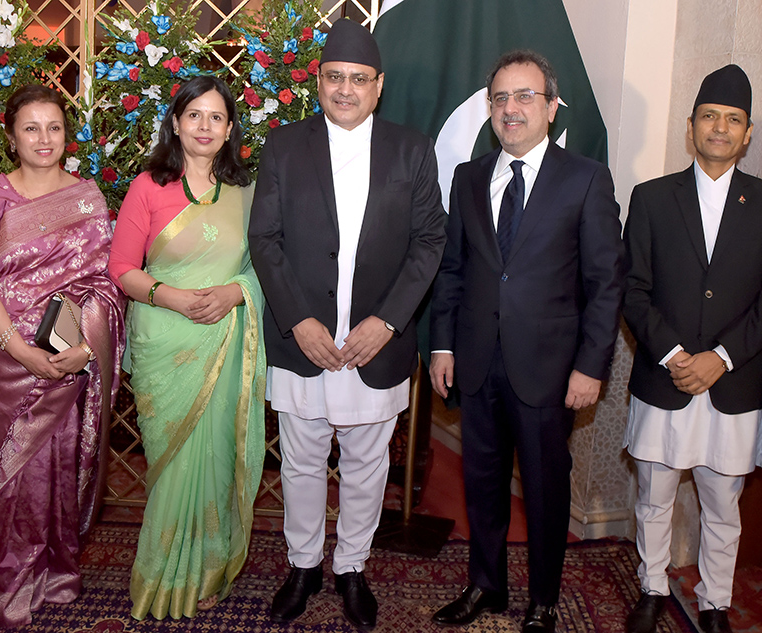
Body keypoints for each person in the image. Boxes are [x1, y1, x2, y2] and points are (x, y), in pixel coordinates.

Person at [248, 19, 447, 632]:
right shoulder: (284, 146)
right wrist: (299, 320)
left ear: (378, 86)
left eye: (358, 79)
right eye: (334, 77)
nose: (345, 89)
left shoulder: (411, 149)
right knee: (303, 460)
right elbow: (265, 237)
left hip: (375, 344)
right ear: (318, 82)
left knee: (367, 462)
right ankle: (304, 565)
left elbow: (429, 241)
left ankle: (352, 567)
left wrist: (387, 322)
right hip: (302, 340)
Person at [429, 50, 624, 633]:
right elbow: (453, 270)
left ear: (551, 106)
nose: (511, 109)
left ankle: (543, 599)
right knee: (481, 481)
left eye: (524, 97)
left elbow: (605, 282)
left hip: (549, 368)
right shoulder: (467, 178)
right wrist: (442, 346)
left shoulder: (586, 179)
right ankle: (486, 585)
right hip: (478, 361)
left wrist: (591, 366)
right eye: (500, 99)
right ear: (489, 109)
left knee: (544, 490)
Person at [621, 64, 762, 633]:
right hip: (664, 377)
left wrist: (718, 358)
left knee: (724, 505)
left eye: (733, 119)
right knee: (655, 496)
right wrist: (675, 355)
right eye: (709, 116)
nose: (720, 127)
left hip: (735, 383)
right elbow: (633, 288)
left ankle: (715, 601)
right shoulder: (650, 198)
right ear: (690, 125)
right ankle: (651, 586)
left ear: (747, 135)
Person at [0, 84, 126, 627]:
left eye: (53, 127)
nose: (43, 138)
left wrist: (85, 347)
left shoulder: (87, 196)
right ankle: (4, 581)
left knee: (59, 465)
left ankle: (54, 570)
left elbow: (103, 282)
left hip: (66, 355)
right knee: (9, 470)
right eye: (31, 128)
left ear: (66, 133)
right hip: (4, 356)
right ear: (11, 135)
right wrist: (16, 346)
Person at [109, 75, 266, 621]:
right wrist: (173, 297)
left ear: (229, 130)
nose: (204, 126)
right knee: (172, 464)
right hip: (165, 343)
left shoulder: (246, 194)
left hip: (224, 339)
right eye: (194, 115)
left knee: (218, 459)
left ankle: (206, 568)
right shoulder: (148, 187)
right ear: (175, 123)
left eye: (216, 117)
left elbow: (259, 269)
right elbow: (121, 268)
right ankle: (162, 575)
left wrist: (232, 293)